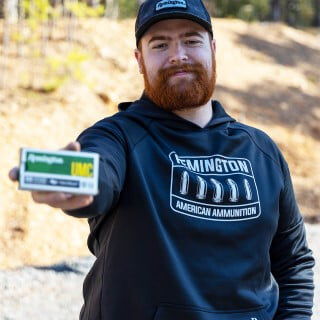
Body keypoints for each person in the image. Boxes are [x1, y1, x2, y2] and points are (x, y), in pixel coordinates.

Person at [9, 0, 315, 319]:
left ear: (213, 49)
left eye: (191, 40)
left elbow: (293, 262)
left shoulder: (261, 150)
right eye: (160, 44)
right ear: (140, 60)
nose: (177, 55)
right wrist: (76, 186)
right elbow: (99, 172)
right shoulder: (119, 138)